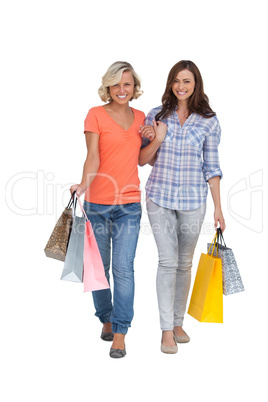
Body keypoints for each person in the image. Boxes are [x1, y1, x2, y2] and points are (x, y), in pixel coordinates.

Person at [139, 60, 225, 354]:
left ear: (195, 84)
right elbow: (144, 159)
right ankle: (166, 330)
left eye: (187, 81)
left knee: (184, 263)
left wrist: (218, 209)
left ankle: (177, 323)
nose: (181, 86)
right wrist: (156, 137)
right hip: (159, 197)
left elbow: (211, 167)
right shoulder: (156, 115)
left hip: (192, 201)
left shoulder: (209, 121)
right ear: (170, 83)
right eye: (176, 81)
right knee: (168, 261)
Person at [70, 61, 147, 358]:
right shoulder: (96, 115)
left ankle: (120, 332)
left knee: (124, 269)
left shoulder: (141, 118)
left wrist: (154, 137)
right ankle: (105, 317)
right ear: (108, 87)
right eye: (116, 84)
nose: (122, 89)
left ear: (134, 87)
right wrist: (82, 184)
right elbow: (92, 157)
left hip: (129, 205)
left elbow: (141, 160)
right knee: (99, 270)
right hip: (98, 204)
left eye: (127, 84)